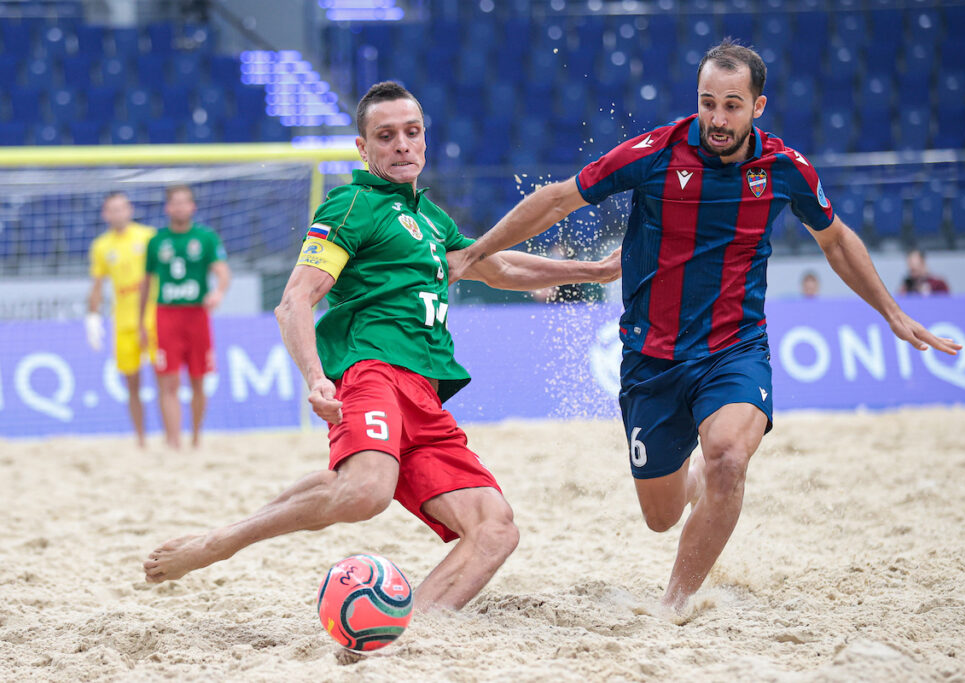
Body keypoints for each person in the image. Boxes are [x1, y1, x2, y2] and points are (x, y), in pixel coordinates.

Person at [449, 39, 962, 610]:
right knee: (660, 516)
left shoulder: (784, 169)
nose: (717, 119)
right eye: (707, 103)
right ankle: (687, 480)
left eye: (732, 105)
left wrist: (891, 311)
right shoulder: (654, 153)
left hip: (734, 348)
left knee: (728, 459)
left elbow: (836, 239)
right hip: (652, 357)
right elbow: (558, 201)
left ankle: (673, 605)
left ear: (758, 107)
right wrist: (475, 252)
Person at [142, 81, 621, 610]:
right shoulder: (352, 205)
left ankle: (402, 630)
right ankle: (218, 543)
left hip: (426, 393)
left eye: (412, 133)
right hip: (373, 372)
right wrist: (316, 378)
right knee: (365, 492)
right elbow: (294, 300)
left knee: (495, 529)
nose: (402, 145)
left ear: (424, 139)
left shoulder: (432, 218)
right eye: (386, 135)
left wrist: (596, 270)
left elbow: (499, 267)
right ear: (363, 148)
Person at [139, 185, 230, 449]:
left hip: (196, 315)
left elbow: (223, 271)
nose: (179, 208)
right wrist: (141, 322)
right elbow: (146, 283)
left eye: (184, 203)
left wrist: (218, 292)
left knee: (198, 379)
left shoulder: (205, 238)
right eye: (174, 203)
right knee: (168, 379)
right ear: (168, 208)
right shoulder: (156, 241)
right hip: (166, 314)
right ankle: (173, 441)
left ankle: (196, 437)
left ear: (193, 207)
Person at [85, 192, 157, 447]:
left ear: (130, 209)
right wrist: (92, 319)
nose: (118, 213)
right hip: (123, 321)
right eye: (112, 210)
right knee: (132, 383)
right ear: (106, 214)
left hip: (154, 317)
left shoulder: (148, 236)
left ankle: (171, 437)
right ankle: (141, 440)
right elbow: (97, 285)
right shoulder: (101, 246)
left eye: (121, 208)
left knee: (165, 379)